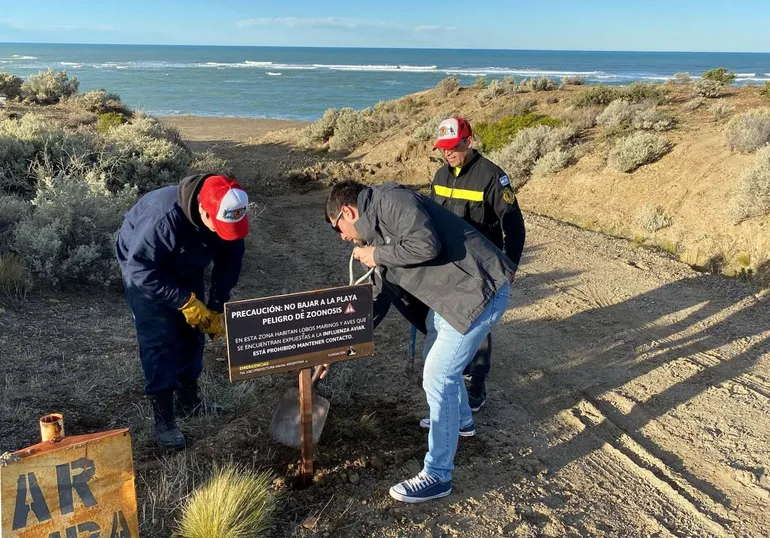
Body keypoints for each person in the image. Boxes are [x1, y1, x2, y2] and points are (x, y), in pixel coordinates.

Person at [324, 179, 516, 503]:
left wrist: (376, 253)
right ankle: (463, 421)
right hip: (453, 298)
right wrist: (338, 345)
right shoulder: (377, 231)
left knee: (438, 377)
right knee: (437, 361)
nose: (342, 237)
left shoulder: (391, 201)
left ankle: (438, 475)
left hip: (477, 293)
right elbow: (375, 295)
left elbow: (426, 244)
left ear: (347, 211)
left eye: (337, 228)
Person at [115, 174, 249, 451]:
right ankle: (163, 419)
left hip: (187, 259)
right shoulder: (162, 218)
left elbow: (230, 260)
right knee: (158, 339)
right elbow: (140, 267)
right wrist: (182, 300)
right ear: (203, 210)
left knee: (194, 331)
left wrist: (215, 305)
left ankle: (189, 401)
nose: (223, 233)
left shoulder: (229, 213)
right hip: (146, 266)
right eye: (219, 227)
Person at [429, 116, 526, 412]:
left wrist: (509, 266)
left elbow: (515, 227)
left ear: (469, 142)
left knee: (478, 327)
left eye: (454, 147)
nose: (448, 153)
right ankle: (457, 371)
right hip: (448, 267)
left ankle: (477, 384)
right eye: (444, 148)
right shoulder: (440, 177)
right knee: (449, 322)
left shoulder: (493, 177)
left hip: (482, 269)